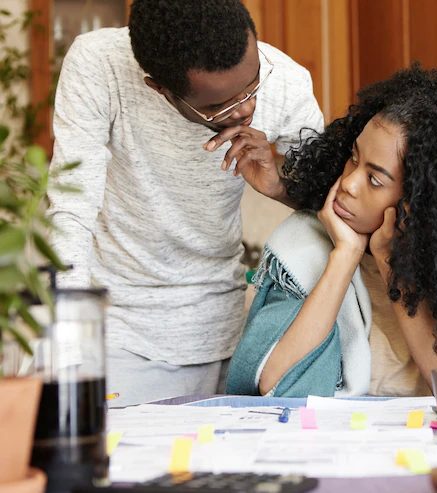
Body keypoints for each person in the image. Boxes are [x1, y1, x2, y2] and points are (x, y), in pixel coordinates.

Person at [46, 0, 324, 407]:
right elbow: (71, 209)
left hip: (232, 336)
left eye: (252, 86)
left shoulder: (286, 80)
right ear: (158, 87)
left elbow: (337, 206)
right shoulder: (99, 64)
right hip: (121, 335)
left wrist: (280, 186)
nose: (246, 108)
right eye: (218, 106)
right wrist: (69, 355)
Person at [225, 66, 437, 397]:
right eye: (353, 159)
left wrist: (389, 263)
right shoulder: (306, 245)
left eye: (375, 179)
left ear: (421, 200)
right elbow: (276, 383)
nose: (349, 184)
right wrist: (346, 255)